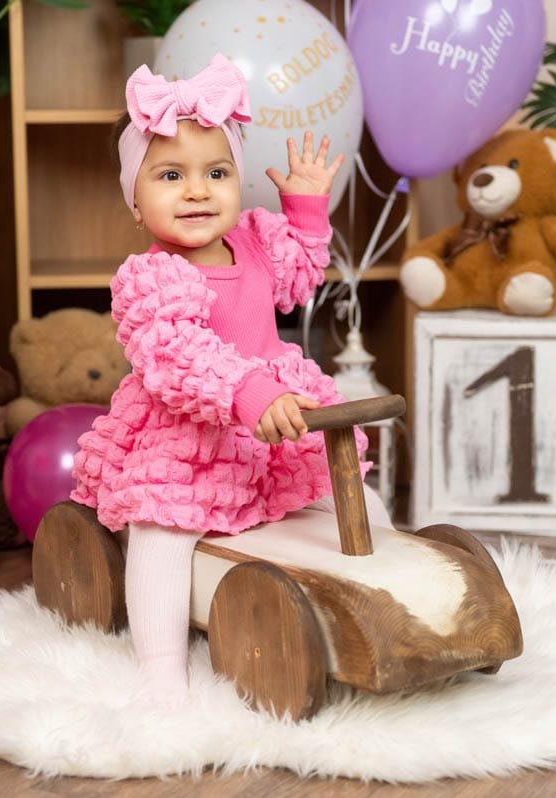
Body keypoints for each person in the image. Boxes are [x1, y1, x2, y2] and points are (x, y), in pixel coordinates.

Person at [71, 54, 393, 706]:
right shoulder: (152, 276)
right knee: (162, 532)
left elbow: (299, 278)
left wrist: (306, 209)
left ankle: (387, 600)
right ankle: (161, 670)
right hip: (191, 429)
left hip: (276, 419)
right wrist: (246, 391)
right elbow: (178, 352)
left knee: (353, 498)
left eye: (216, 173)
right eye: (171, 176)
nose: (197, 191)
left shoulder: (253, 240)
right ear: (135, 202)